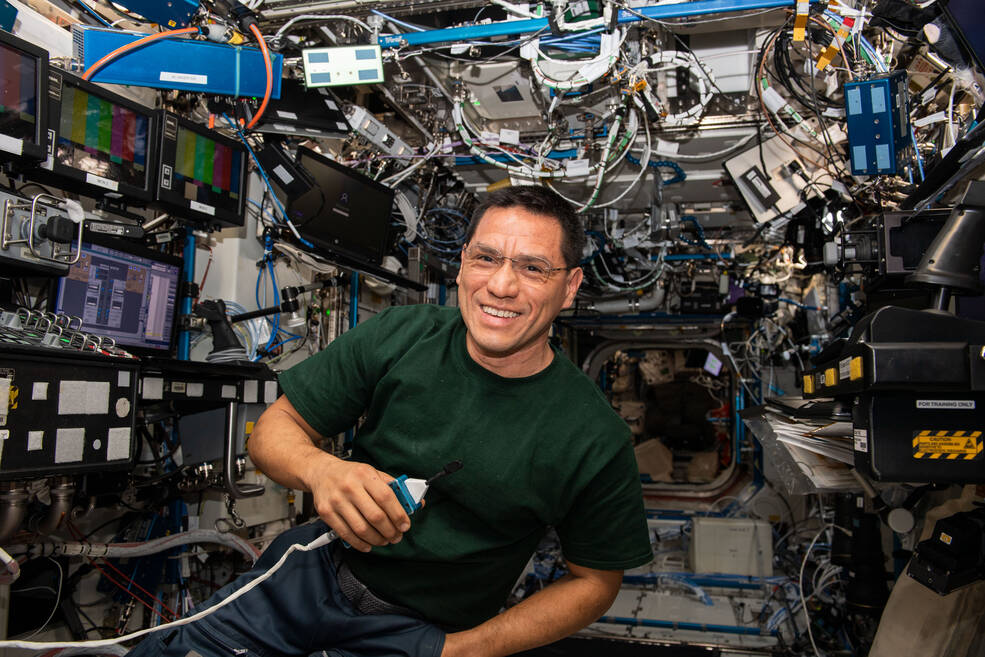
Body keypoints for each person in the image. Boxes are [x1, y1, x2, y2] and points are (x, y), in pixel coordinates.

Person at [126, 185, 651, 657]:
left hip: (422, 633)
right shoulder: (404, 334)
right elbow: (272, 432)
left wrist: (465, 651)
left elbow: (594, 582)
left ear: (571, 286)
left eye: (534, 268)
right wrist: (321, 471)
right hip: (308, 579)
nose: (502, 285)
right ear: (464, 263)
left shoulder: (593, 437)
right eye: (486, 258)